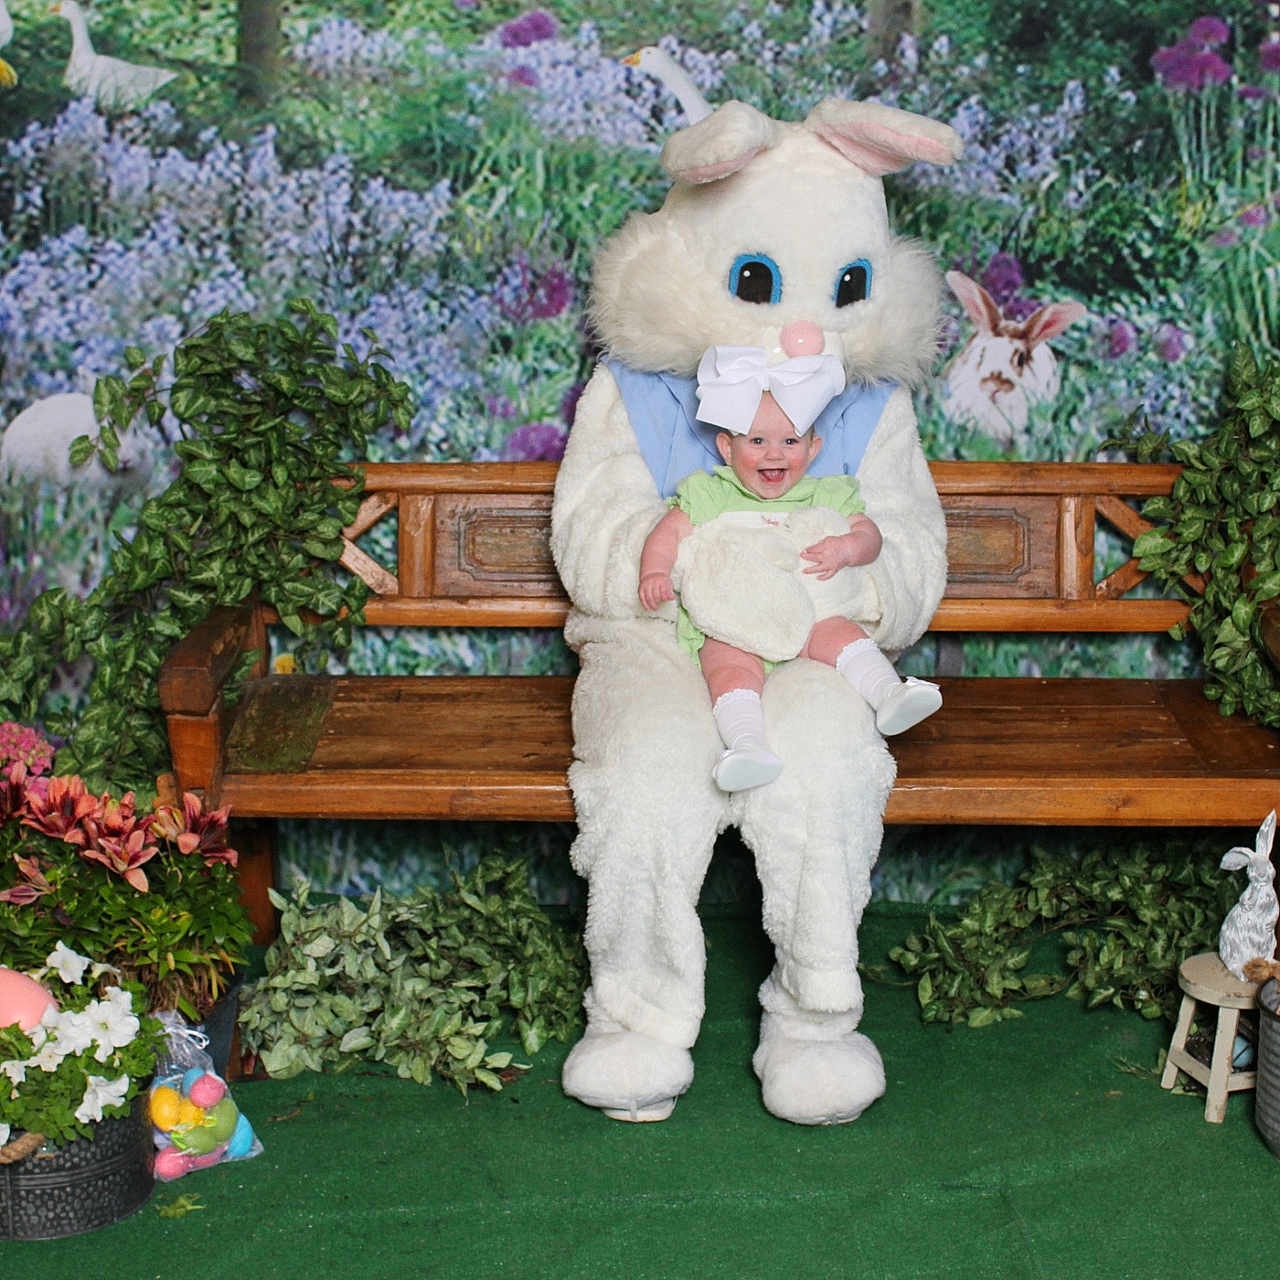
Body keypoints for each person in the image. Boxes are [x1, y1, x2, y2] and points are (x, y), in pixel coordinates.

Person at [637, 389, 942, 791]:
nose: (774, 454)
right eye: (757, 441)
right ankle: (748, 746)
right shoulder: (712, 494)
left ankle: (888, 693)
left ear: (813, 448)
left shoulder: (826, 494)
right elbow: (669, 531)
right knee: (727, 668)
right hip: (736, 624)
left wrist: (848, 548)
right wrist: (654, 571)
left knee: (843, 633)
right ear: (728, 448)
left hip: (809, 618)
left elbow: (870, 535)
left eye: (790, 441)